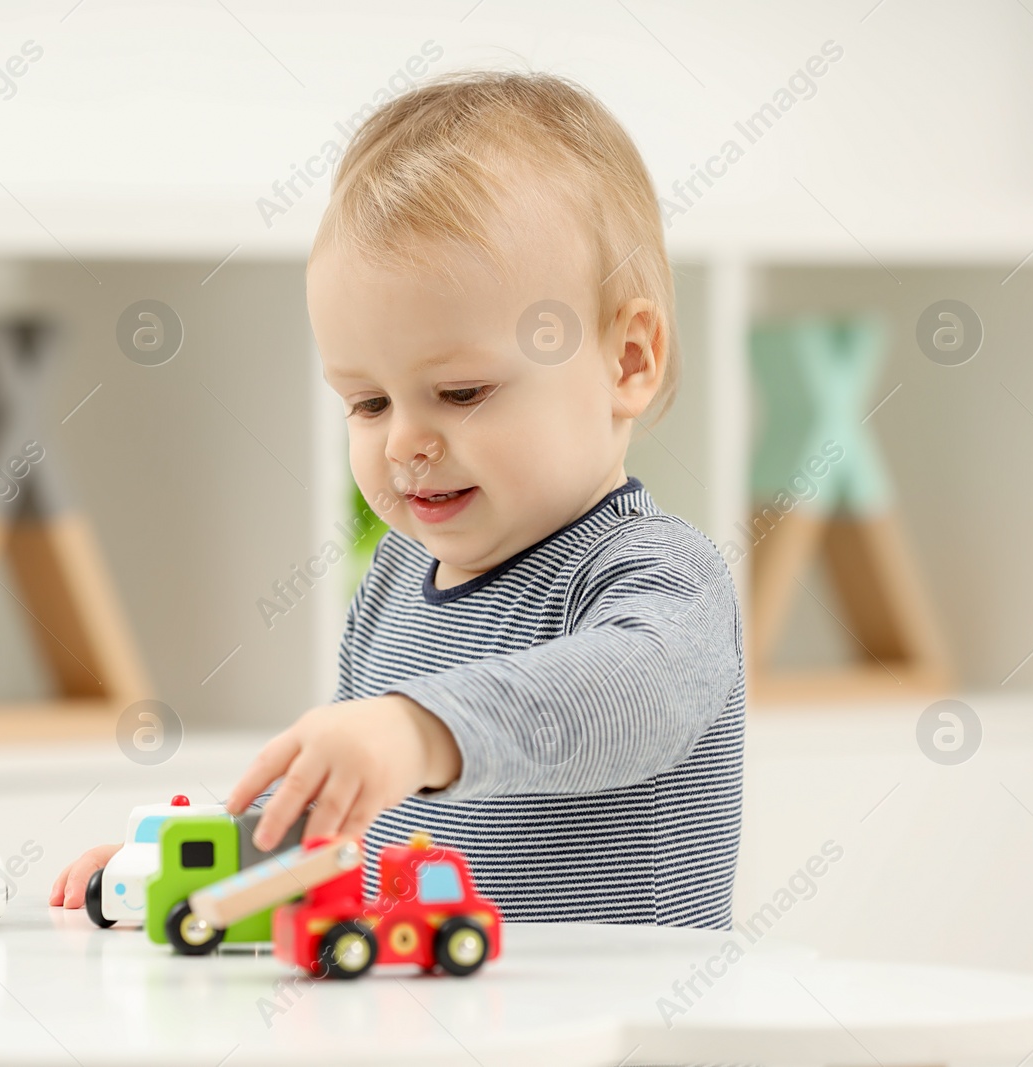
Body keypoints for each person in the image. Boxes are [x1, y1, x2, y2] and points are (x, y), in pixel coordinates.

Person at [53, 70, 744, 927]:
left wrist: (419, 732)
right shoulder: (393, 583)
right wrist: (200, 864)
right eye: (368, 402)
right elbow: (342, 821)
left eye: (460, 393)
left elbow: (637, 695)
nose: (402, 443)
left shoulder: (656, 576)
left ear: (627, 360)